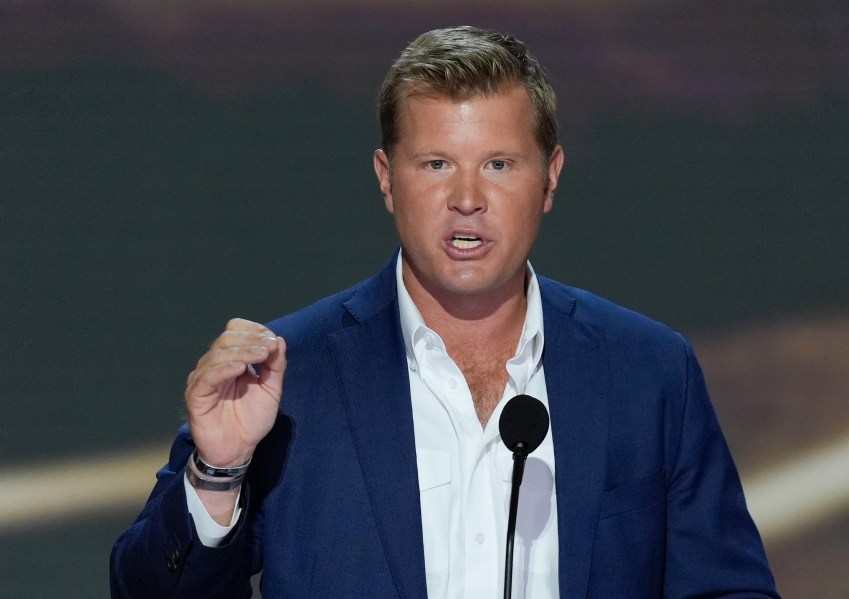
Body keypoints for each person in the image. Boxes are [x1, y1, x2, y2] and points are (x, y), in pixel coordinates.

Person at [110, 25, 779, 598]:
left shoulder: (648, 369)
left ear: (548, 178)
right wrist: (218, 472)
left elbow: (727, 585)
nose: (466, 197)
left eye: (498, 163)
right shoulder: (286, 374)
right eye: (435, 163)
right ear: (385, 178)